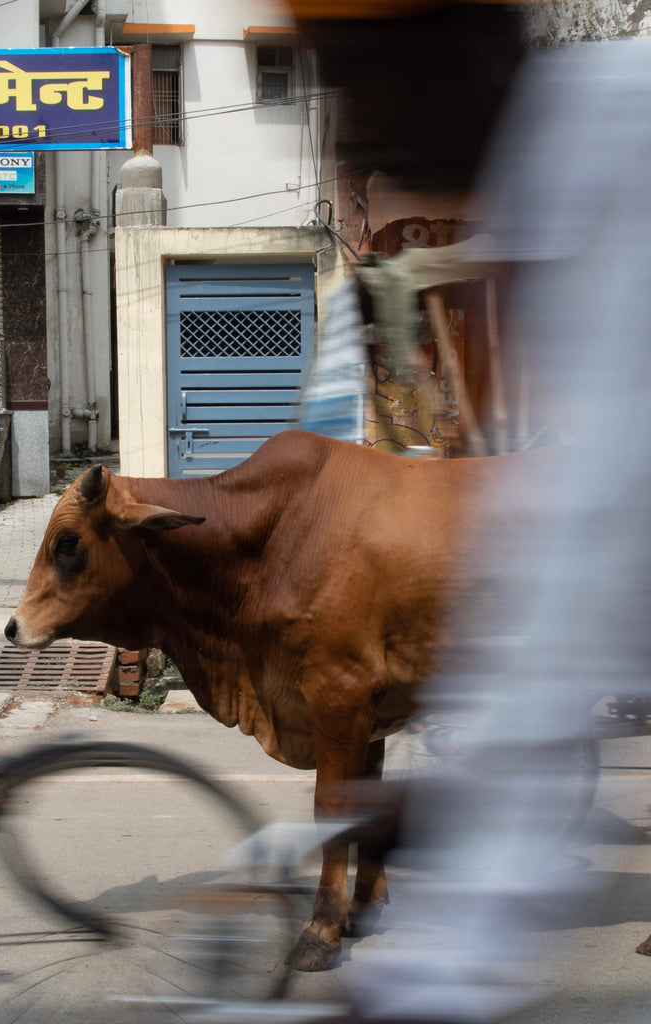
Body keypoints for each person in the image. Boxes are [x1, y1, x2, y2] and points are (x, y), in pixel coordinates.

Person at [288, 3, 651, 1023]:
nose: (351, 126)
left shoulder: (620, 145)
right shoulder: (549, 188)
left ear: (455, 55)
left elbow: (600, 519)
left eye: (364, 78)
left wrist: (444, 949)